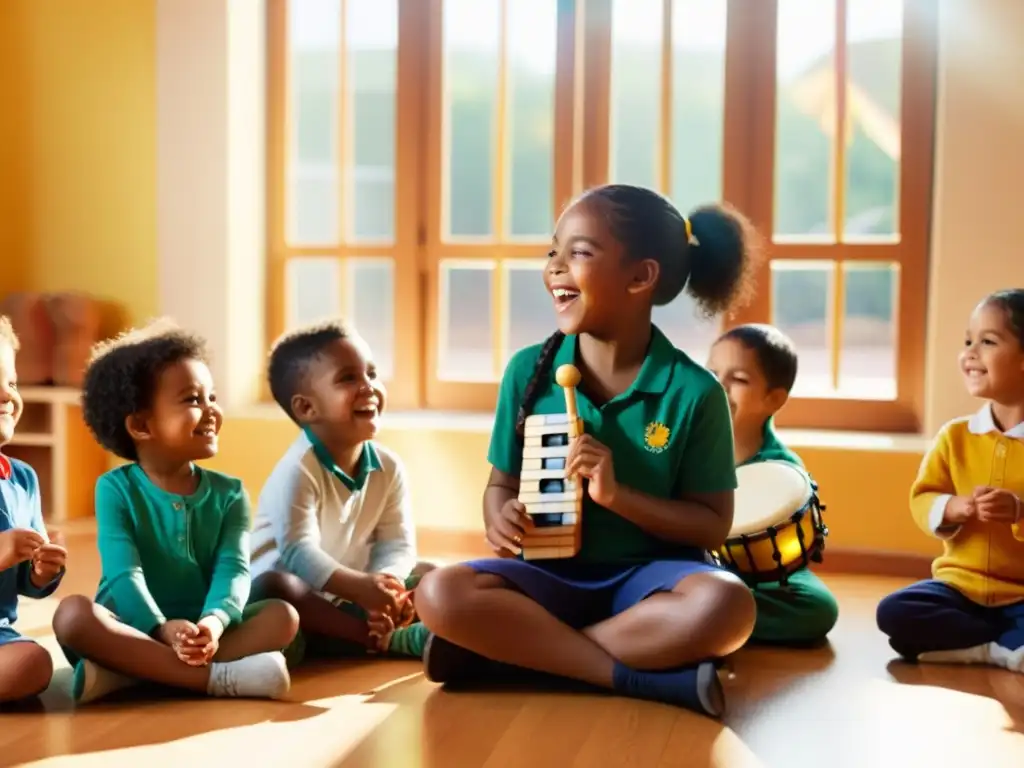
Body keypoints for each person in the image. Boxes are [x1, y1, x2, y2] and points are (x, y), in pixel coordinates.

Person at [413, 184, 760, 718]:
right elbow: (500, 484)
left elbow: (711, 526)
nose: (554, 266)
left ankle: (515, 655)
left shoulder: (695, 392)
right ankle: (629, 677)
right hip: (549, 577)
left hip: (651, 581)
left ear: (641, 277)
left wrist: (621, 497)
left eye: (578, 252)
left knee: (728, 605)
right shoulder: (527, 371)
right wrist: (498, 516)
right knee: (438, 592)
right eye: (553, 250)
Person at [52, 319, 299, 704]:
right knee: (73, 617)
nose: (211, 410)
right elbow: (123, 574)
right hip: (132, 627)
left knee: (283, 616)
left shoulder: (230, 493)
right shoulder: (115, 488)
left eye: (212, 397)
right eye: (192, 399)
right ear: (140, 425)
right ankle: (217, 679)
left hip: (204, 632)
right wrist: (161, 629)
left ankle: (130, 674)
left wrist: (213, 624)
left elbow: (233, 569)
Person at [249, 320, 431, 662]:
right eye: (348, 378)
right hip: (290, 596)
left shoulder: (389, 467)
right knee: (280, 587)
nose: (369, 387)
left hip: (348, 593)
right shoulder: (297, 470)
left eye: (372, 374)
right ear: (306, 408)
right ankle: (381, 639)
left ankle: (384, 626)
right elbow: (299, 554)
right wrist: (362, 589)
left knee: (433, 574)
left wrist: (387, 583)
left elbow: (397, 542)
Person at [877, 290, 1024, 670]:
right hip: (959, 589)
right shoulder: (954, 436)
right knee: (895, 613)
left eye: (988, 341)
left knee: (909, 640)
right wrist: (952, 507)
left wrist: (1019, 512)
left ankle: (977, 644)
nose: (970, 352)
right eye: (968, 341)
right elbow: (922, 496)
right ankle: (997, 648)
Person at [706, 323, 839, 646]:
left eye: (738, 379)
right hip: (696, 566)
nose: (719, 387)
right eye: (712, 374)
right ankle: (713, 616)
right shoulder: (687, 446)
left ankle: (712, 620)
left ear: (774, 399)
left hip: (761, 577)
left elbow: (790, 554)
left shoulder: (784, 471)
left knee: (820, 608)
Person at [0, 316, 67, 703]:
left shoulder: (22, 478)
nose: (7, 395)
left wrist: (42, 572)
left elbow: (26, 582)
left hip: (1, 636)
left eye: (11, 382)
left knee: (34, 663)